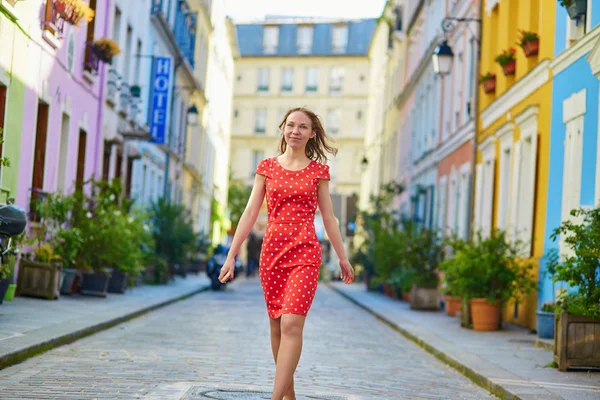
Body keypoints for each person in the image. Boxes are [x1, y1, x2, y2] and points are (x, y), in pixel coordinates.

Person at [218, 107, 354, 400]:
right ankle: (288, 395)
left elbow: (329, 218)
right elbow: (250, 211)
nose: (295, 131)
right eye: (290, 125)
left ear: (312, 133)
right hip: (273, 253)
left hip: (305, 252)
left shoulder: (318, 171)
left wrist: (342, 257)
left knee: (292, 322)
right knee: (278, 324)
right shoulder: (267, 167)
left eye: (302, 127)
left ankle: (275, 398)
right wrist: (231, 255)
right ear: (283, 128)